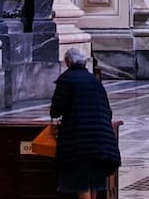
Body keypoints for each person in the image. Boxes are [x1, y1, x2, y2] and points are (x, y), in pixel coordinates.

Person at [49, 46, 120, 198]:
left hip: (80, 143)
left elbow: (56, 110)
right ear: (84, 62)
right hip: (102, 141)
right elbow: (108, 111)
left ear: (67, 62)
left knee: (81, 184)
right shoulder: (95, 81)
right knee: (94, 182)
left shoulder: (67, 80)